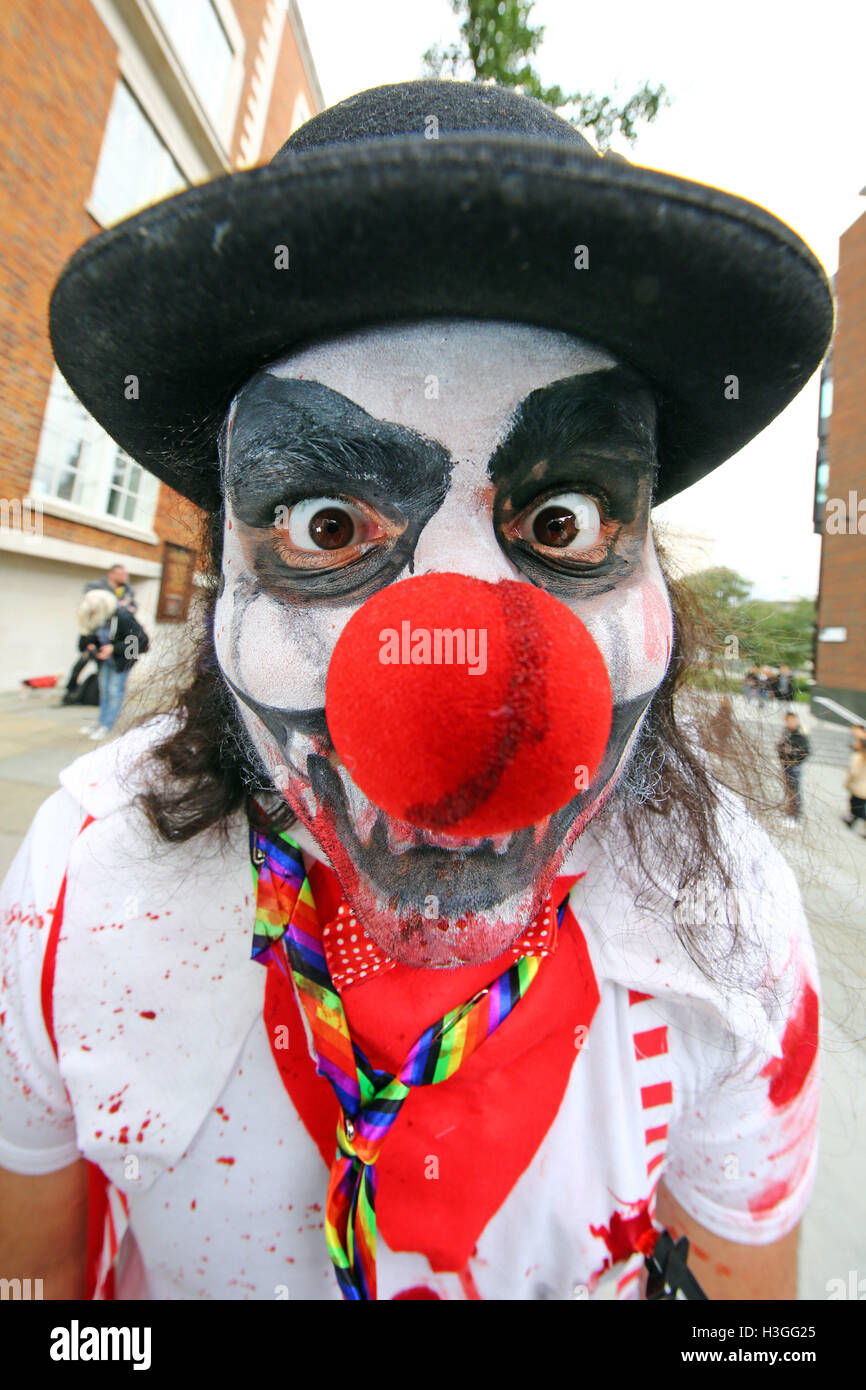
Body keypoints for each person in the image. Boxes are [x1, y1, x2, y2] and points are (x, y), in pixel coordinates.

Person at [0, 81, 831, 1302]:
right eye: (325, 523)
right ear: (224, 576)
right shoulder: (78, 883)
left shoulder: (727, 926)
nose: (459, 689)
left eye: (566, 519)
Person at [77, 589, 150, 741]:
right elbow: (90, 637)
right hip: (105, 661)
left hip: (121, 662)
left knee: (114, 692)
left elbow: (140, 641)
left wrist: (114, 648)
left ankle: (107, 725)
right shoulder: (97, 617)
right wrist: (91, 645)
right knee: (104, 692)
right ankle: (101, 722)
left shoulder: (123, 617)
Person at [777, 712, 811, 824]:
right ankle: (790, 813)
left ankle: (795, 816)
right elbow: (781, 746)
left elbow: (805, 751)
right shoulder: (787, 733)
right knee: (790, 790)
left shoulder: (799, 734)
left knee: (794, 790)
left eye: (792, 720)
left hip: (793, 767)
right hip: (786, 766)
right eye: (788, 720)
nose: (791, 722)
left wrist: (794, 760)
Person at [842, 724, 866, 837]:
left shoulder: (859, 756)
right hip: (860, 786)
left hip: (860, 787)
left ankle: (851, 820)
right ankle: (851, 820)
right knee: (857, 805)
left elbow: (853, 772)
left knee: (858, 807)